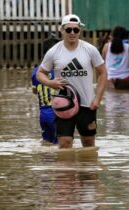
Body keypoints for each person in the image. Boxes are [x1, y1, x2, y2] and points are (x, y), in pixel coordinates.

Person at [36, 14, 107, 149]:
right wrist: (51, 83)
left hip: (87, 105)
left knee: (88, 144)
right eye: (69, 30)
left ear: (80, 30)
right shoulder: (53, 51)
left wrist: (97, 99)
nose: (72, 33)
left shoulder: (90, 49)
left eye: (76, 30)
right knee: (64, 144)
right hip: (63, 105)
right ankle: (67, 170)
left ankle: (86, 170)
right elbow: (40, 73)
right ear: (62, 30)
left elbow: (103, 73)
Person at [31, 33, 61, 145]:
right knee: (61, 144)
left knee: (47, 143)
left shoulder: (36, 72)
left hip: (43, 113)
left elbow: (35, 91)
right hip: (58, 112)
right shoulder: (61, 70)